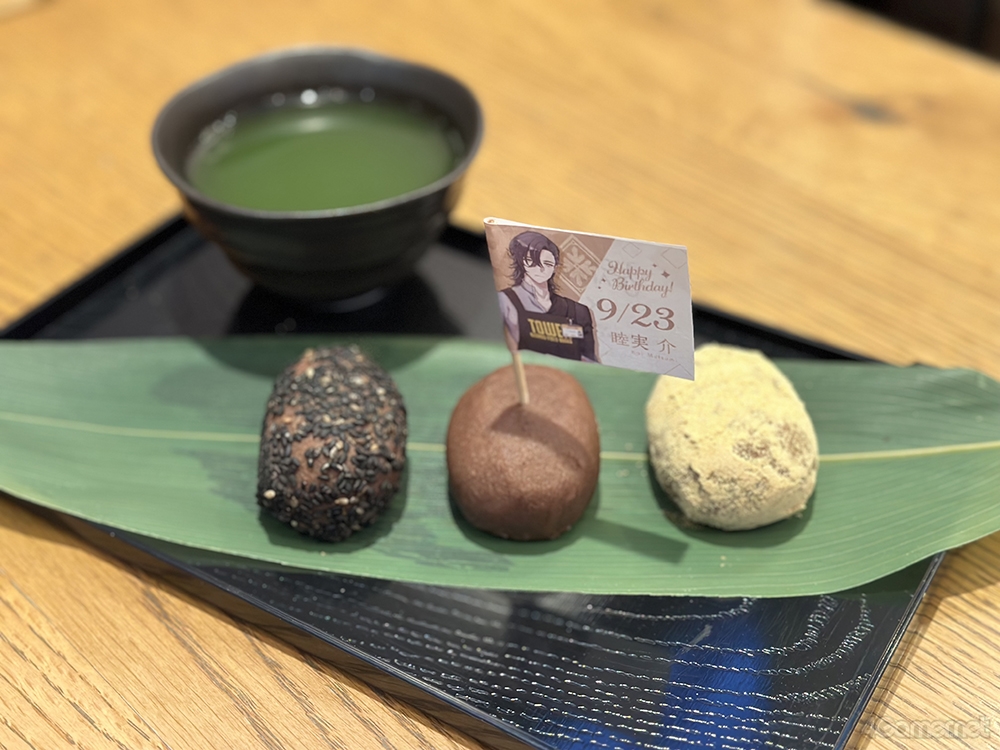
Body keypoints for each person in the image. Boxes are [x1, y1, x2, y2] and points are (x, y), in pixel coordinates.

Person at [498, 231, 598, 362]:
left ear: (555, 267)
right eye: (532, 262)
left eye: (548, 264)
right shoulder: (506, 300)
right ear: (522, 262)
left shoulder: (579, 311)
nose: (540, 269)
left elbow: (589, 359)